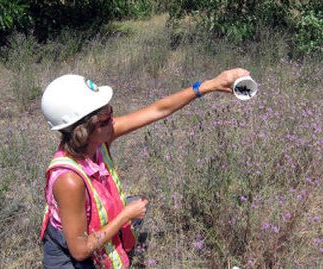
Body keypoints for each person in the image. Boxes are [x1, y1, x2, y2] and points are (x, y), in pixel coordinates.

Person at [39, 68, 250, 268]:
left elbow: (158, 109)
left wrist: (210, 85)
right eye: (105, 118)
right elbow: (80, 250)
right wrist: (125, 215)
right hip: (71, 259)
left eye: (109, 112)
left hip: (92, 239)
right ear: (83, 130)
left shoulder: (100, 138)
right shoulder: (69, 180)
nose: (113, 120)